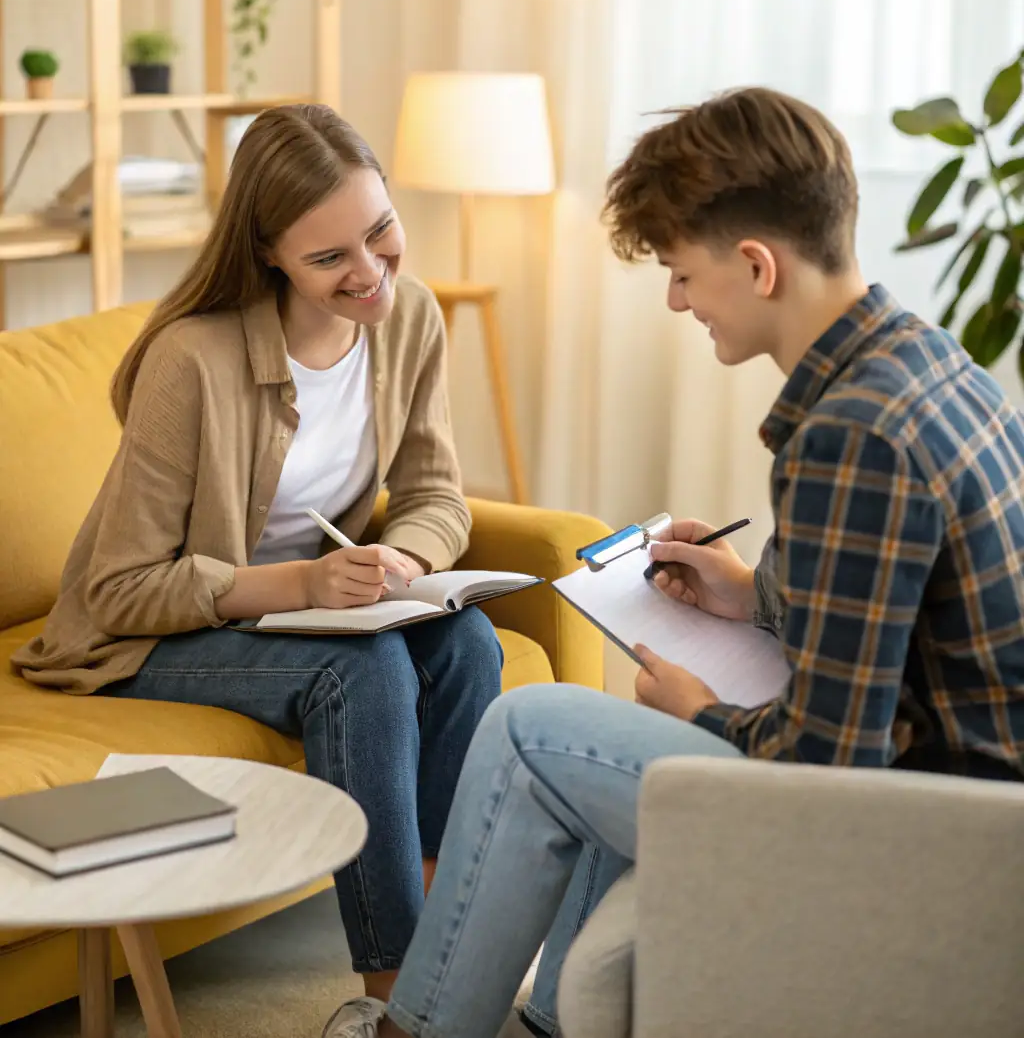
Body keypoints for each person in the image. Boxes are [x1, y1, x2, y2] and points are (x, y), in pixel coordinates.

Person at [338, 86, 1024, 1038]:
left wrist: (702, 713)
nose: (676, 300)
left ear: (757, 264)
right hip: (978, 805)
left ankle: (412, 1031)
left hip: (932, 840)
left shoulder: (851, 435)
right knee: (598, 740)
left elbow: (829, 761)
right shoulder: (929, 361)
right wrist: (753, 594)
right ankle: (548, 1023)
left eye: (682, 273)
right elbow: (895, 614)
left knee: (529, 730)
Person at [12, 104, 503, 1018]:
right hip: (149, 634)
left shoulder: (411, 318)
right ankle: (397, 999)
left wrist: (401, 559)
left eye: (381, 230)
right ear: (269, 253)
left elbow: (438, 494)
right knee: (365, 669)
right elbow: (120, 589)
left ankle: (438, 942)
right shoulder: (191, 360)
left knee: (469, 644)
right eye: (330, 257)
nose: (370, 271)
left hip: (307, 612)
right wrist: (303, 583)